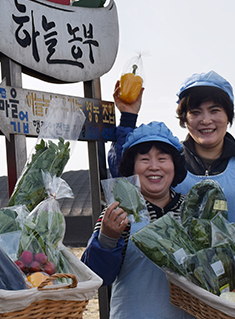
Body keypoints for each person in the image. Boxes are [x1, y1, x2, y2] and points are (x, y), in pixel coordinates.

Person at [109, 70, 235, 223]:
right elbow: (125, 177)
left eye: (214, 111)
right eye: (195, 112)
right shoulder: (170, 159)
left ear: (228, 115)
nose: (205, 120)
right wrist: (128, 116)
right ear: (184, 119)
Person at [82, 121, 195, 318]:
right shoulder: (117, 212)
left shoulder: (193, 210)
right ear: (132, 167)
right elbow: (96, 276)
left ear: (174, 165)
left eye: (162, 158)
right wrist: (107, 238)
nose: (153, 167)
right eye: (144, 159)